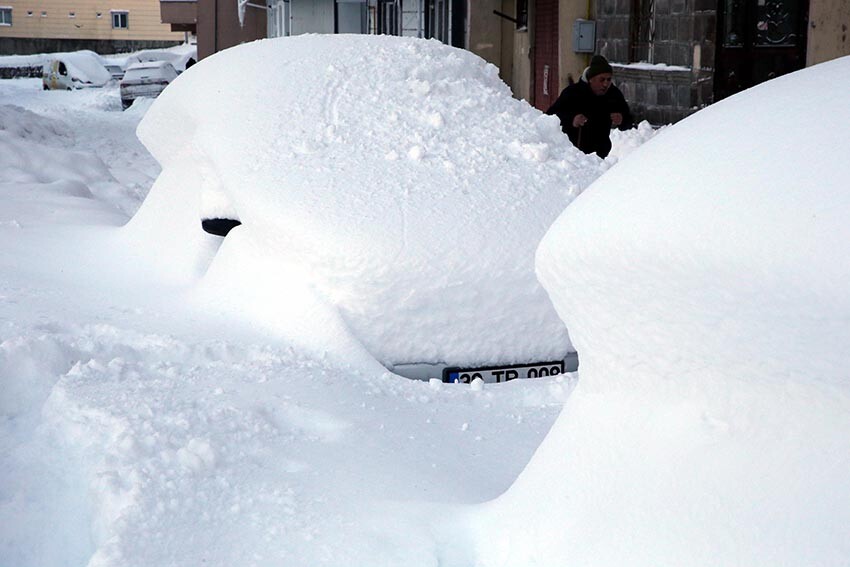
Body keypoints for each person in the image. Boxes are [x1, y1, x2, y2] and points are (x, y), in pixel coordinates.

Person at [546, 54, 633, 158]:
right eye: (602, 80)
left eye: (608, 79)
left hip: (600, 157)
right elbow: (549, 118)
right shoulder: (573, 93)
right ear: (591, 79)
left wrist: (622, 119)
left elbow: (629, 120)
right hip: (571, 156)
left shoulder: (613, 94)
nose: (606, 84)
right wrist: (572, 120)